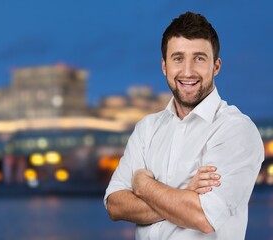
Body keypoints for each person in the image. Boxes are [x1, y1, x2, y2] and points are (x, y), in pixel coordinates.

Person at [104, 11, 264, 239]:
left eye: (199, 58)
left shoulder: (236, 131)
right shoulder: (146, 129)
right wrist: (185, 194)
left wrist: (143, 185)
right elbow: (115, 205)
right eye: (178, 58)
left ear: (216, 66)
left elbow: (203, 217)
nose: (187, 71)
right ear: (164, 66)